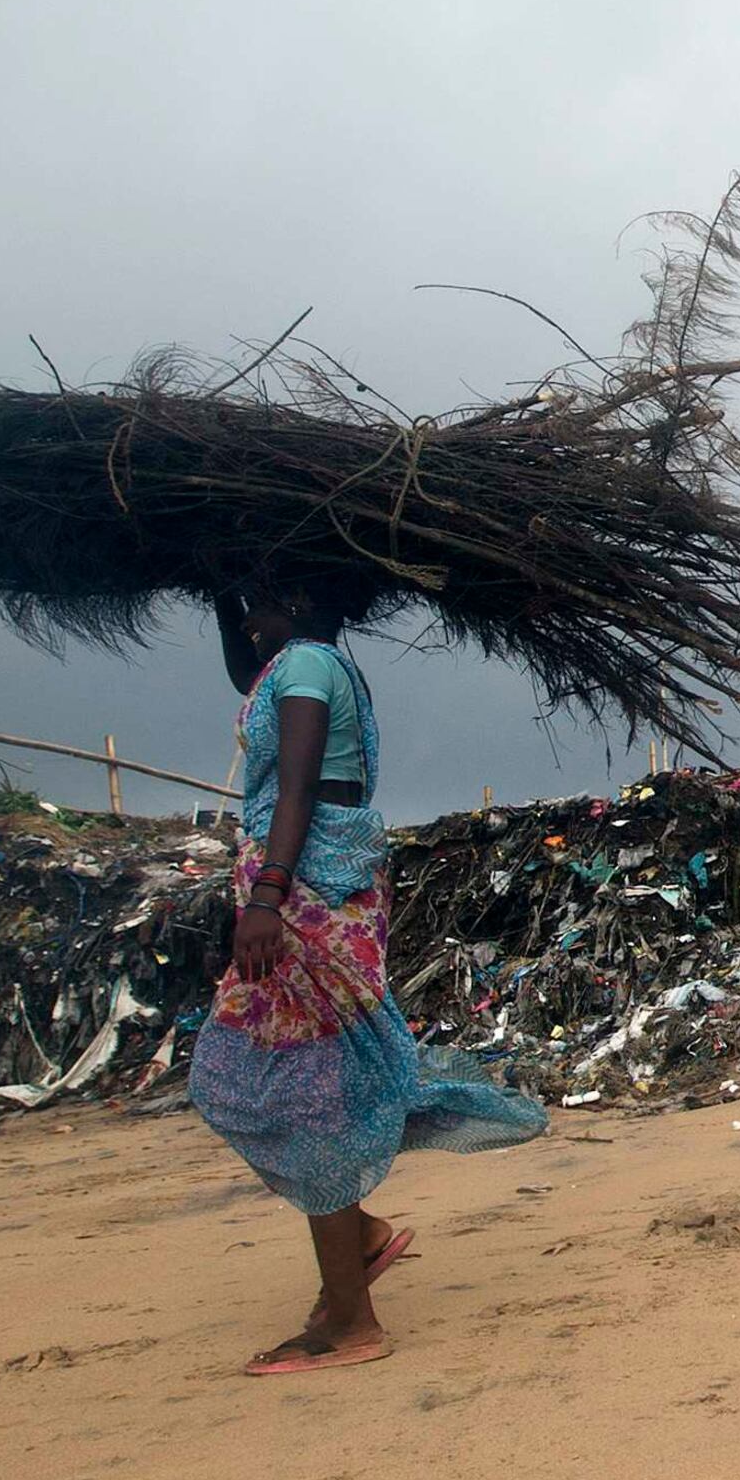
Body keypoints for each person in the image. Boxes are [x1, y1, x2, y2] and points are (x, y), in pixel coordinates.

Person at [198, 574, 553, 1374]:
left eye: (261, 602)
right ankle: (357, 1236)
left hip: (307, 898)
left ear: (299, 602)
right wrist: (221, 595)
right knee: (258, 1076)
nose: (252, 622)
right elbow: (244, 677)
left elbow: (298, 787)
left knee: (306, 1086)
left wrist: (267, 895)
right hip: (310, 891)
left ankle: (350, 1324)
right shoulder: (299, 662)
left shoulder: (308, 671)